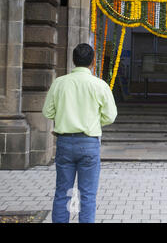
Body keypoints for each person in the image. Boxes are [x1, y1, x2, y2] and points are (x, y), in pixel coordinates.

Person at [42, 43, 117, 223]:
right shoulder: (100, 85)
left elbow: (47, 112)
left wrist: (64, 117)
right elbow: (111, 116)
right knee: (88, 195)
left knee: (62, 192)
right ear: (93, 62)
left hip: (64, 143)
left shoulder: (59, 83)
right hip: (89, 142)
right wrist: (92, 122)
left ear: (73, 60)